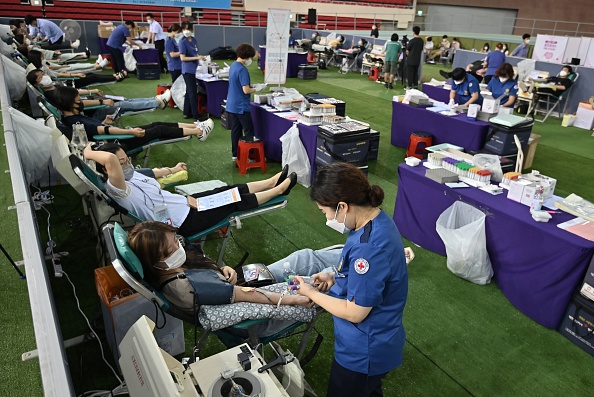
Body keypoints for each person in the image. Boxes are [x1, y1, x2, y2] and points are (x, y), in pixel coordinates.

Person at [288, 162, 408, 397]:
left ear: (342, 206)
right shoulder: (375, 222)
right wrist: (335, 277)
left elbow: (355, 313)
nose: (327, 219)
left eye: (325, 212)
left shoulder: (369, 248)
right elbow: (370, 278)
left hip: (364, 350)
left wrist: (312, 293)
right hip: (375, 342)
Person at [83, 142, 298, 238]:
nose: (126, 164)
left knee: (227, 189)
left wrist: (172, 169)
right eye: (122, 163)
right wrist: (88, 152)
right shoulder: (117, 189)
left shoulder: (131, 174)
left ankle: (271, 182)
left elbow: (153, 172)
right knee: (232, 202)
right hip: (182, 223)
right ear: (107, 169)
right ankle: (279, 191)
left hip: (186, 204)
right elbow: (110, 159)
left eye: (127, 159)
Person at [126, 221, 313, 330]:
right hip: (253, 304)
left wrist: (223, 269)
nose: (178, 247)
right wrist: (293, 300)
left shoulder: (170, 270)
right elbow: (246, 294)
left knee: (303, 261)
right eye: (170, 249)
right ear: (154, 260)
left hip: (238, 282)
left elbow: (210, 273)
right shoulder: (186, 288)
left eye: (176, 240)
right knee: (304, 259)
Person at [54, 86, 213, 149]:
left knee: (157, 124)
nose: (81, 102)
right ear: (70, 103)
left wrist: (105, 121)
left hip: (115, 138)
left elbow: (97, 128)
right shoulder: (75, 121)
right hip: (118, 144)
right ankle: (199, 131)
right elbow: (102, 131)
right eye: (78, 100)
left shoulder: (73, 117)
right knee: (158, 129)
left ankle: (195, 126)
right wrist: (131, 132)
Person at [27, 69, 171, 115]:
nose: (45, 77)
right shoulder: (52, 94)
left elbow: (75, 92)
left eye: (43, 74)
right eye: (41, 77)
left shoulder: (54, 87)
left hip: (93, 104)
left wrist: (93, 91)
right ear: (37, 83)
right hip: (92, 111)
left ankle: (156, 100)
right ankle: (157, 102)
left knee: (125, 101)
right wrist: (101, 101)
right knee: (123, 104)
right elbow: (79, 103)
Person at [226, 44, 265, 161]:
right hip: (241, 106)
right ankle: (252, 156)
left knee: (235, 131)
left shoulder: (233, 65)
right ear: (247, 57)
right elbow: (246, 90)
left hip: (232, 104)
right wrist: (257, 89)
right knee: (249, 131)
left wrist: (251, 86)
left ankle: (235, 154)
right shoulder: (243, 70)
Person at [26, 49, 120, 87]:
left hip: (64, 76)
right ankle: (102, 68)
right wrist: (70, 74)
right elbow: (55, 75)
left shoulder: (42, 68)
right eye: (41, 57)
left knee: (89, 74)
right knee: (90, 76)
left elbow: (54, 73)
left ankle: (99, 67)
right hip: (66, 82)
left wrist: (71, 73)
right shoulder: (42, 74)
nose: (43, 58)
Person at [179, 21, 204, 122]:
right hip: (188, 70)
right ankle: (196, 115)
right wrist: (196, 58)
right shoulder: (182, 42)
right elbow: (183, 58)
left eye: (188, 29)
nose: (187, 31)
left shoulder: (193, 40)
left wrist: (198, 59)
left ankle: (186, 112)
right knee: (193, 92)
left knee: (189, 92)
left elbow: (195, 52)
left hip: (194, 68)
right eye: (185, 29)